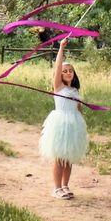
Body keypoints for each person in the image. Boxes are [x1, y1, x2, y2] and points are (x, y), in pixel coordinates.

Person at [39, 37, 88, 200]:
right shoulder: (58, 88)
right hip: (60, 124)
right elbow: (57, 66)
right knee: (60, 158)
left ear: (74, 75)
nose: (67, 72)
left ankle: (65, 185)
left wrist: (81, 126)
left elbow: (78, 109)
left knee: (69, 158)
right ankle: (56, 188)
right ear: (60, 74)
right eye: (64, 71)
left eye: (70, 71)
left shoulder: (74, 91)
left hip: (74, 125)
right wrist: (61, 47)